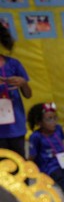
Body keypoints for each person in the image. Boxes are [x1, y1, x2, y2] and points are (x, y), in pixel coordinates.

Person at [0, 23, 31, 158]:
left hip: (15, 127)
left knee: (19, 162)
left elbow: (28, 95)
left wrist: (23, 83)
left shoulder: (13, 64)